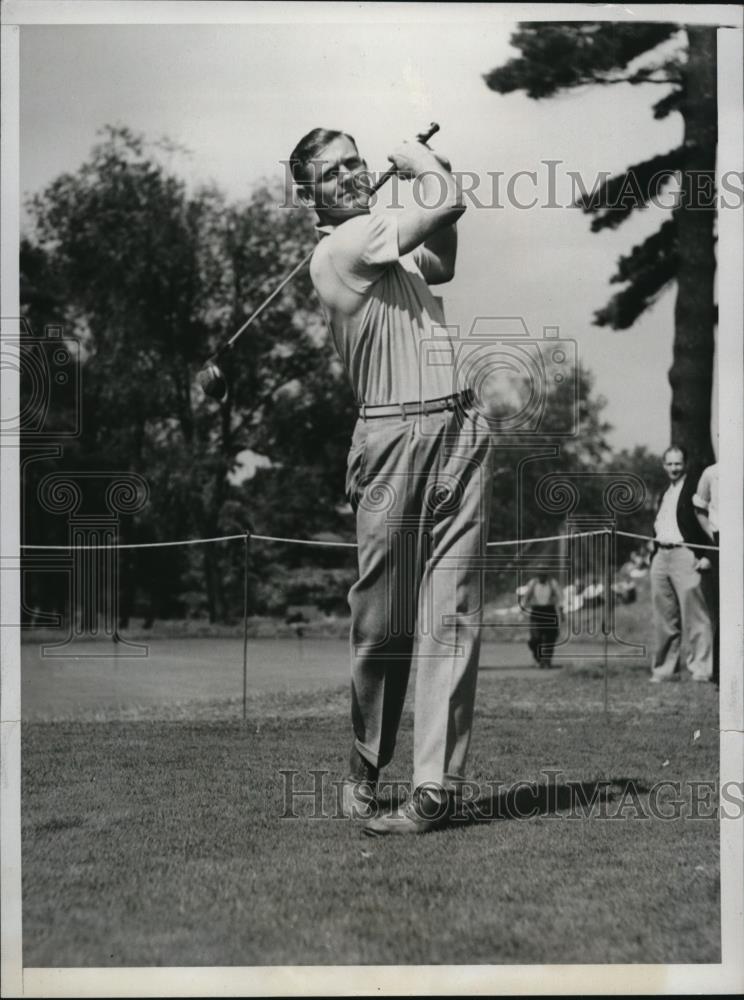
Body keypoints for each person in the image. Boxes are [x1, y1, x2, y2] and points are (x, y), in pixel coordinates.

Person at [289, 126, 494, 835]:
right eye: (333, 170)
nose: (352, 174)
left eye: (356, 161)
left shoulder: (383, 247)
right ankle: (365, 760)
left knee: (452, 613)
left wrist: (435, 173)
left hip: (461, 429)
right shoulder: (341, 249)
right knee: (383, 624)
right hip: (390, 442)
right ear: (310, 195)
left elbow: (441, 260)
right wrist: (424, 168)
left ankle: (434, 791)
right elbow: (450, 203)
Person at [649, 446, 713, 683]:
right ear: (664, 465)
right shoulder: (664, 492)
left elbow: (708, 520)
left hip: (685, 554)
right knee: (663, 617)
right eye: (669, 464)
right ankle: (665, 670)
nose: (674, 468)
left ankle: (702, 669)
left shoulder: (694, 488)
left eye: (678, 464)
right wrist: (653, 553)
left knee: (695, 615)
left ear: (684, 464)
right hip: (660, 557)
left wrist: (707, 554)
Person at [693, 462, 719, 687]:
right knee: (718, 614)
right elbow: (699, 509)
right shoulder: (711, 473)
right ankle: (720, 674)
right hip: (719, 543)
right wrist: (713, 540)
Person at [521, 573, 563, 669]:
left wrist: (561, 612)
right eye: (540, 575)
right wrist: (524, 609)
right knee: (535, 638)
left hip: (549, 611)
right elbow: (526, 598)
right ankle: (538, 657)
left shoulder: (553, 583)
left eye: (544, 575)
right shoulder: (533, 583)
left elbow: (560, 598)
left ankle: (547, 661)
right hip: (537, 612)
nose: (542, 577)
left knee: (550, 638)